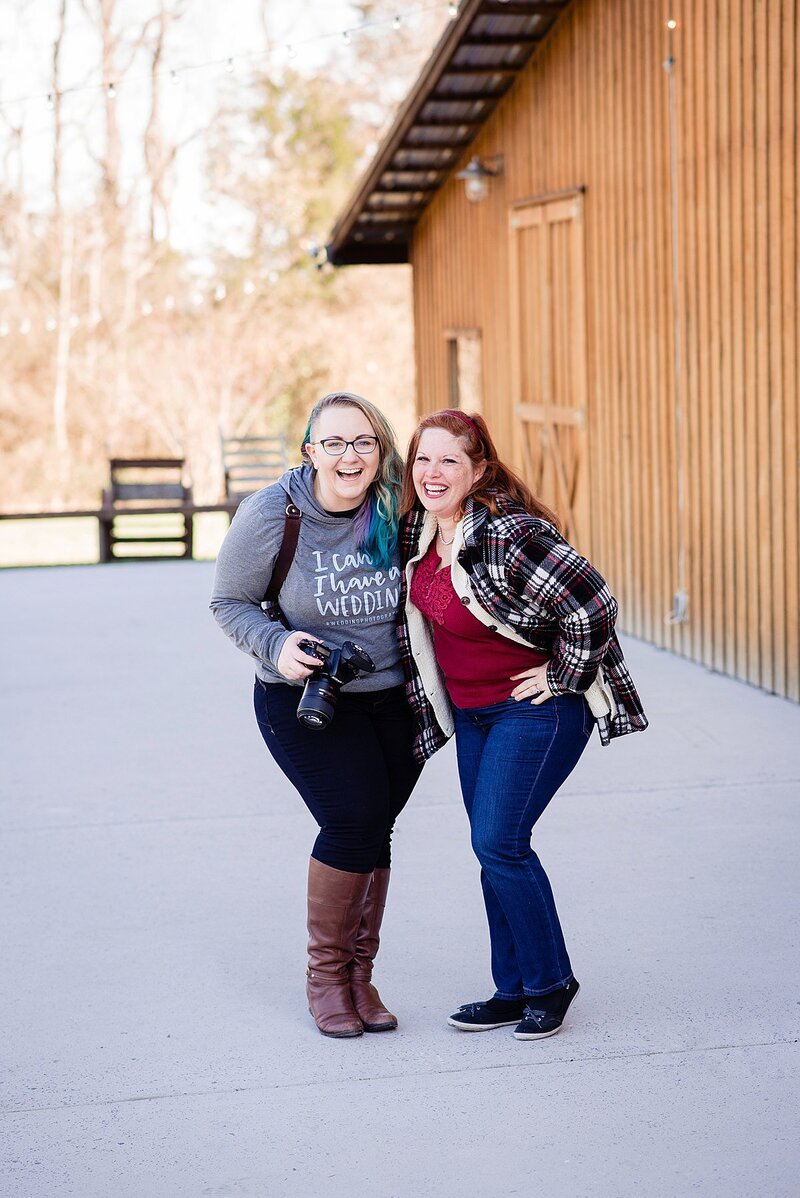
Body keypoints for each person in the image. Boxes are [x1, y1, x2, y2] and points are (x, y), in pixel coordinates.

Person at [398, 410, 647, 1041]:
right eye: (423, 460)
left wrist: (563, 675)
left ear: (477, 469)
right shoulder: (419, 532)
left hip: (536, 710)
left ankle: (550, 983)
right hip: (474, 716)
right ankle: (510, 989)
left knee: (499, 842)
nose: (433, 473)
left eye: (449, 460)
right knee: (493, 849)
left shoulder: (508, 534)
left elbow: (594, 601)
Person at [210, 392, 421, 1039]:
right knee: (352, 819)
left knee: (374, 829)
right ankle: (326, 980)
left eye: (363, 442)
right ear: (310, 451)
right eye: (334, 443)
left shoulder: (397, 505)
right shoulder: (274, 513)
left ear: (379, 449)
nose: (349, 456)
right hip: (302, 697)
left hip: (394, 700)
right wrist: (278, 645)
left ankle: (360, 978)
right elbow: (228, 602)